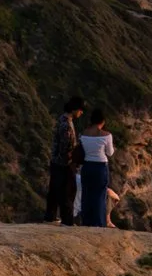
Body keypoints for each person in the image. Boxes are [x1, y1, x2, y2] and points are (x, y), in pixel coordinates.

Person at [44, 96, 83, 224]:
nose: (81, 113)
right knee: (68, 192)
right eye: (80, 110)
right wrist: (72, 159)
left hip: (56, 161)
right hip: (64, 163)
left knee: (54, 190)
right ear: (75, 109)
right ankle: (67, 220)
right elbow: (65, 147)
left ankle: (50, 216)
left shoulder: (62, 119)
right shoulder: (66, 124)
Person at [76, 107, 115, 229]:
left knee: (87, 194)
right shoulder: (106, 135)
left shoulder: (84, 134)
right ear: (102, 121)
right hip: (100, 167)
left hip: (87, 166)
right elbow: (110, 153)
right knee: (99, 195)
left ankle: (86, 221)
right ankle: (98, 223)